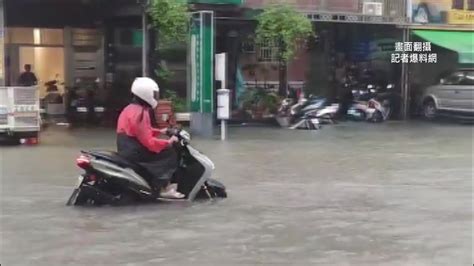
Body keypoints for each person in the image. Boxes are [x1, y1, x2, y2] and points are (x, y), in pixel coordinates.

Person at [116, 77, 184, 199]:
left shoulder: (131, 109)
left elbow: (141, 131)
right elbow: (149, 142)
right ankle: (164, 188)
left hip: (127, 149)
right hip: (134, 151)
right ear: (146, 94)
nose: (156, 97)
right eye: (155, 94)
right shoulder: (141, 113)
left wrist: (161, 131)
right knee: (170, 153)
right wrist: (168, 142)